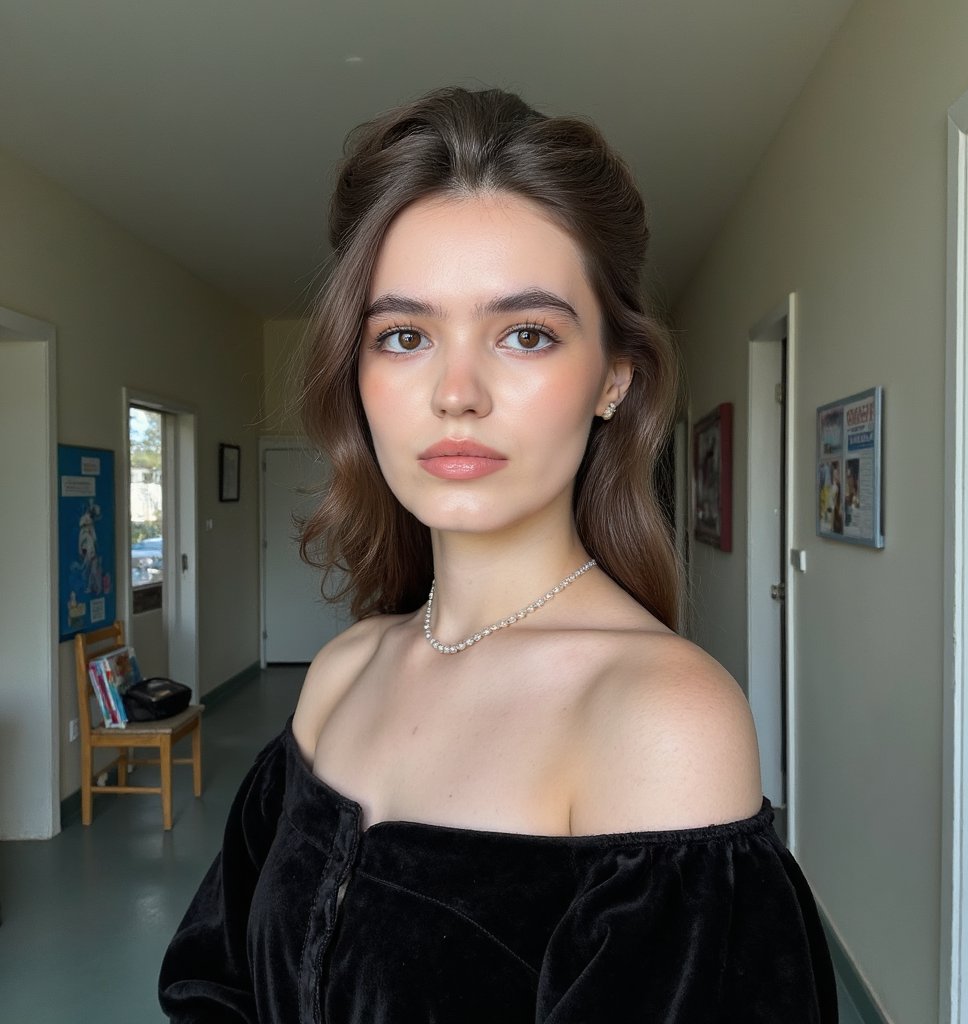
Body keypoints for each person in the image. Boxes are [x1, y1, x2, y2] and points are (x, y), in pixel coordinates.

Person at [159, 86, 838, 1022]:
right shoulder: (342, 672)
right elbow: (218, 985)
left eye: (525, 334)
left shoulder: (661, 721)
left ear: (612, 379)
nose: (457, 392)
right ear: (358, 379)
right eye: (404, 336)